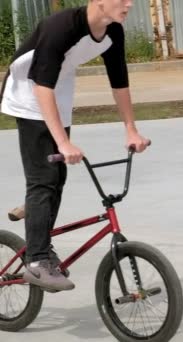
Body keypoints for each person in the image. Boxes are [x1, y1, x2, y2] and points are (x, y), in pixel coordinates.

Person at [0, 0, 149, 292]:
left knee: (57, 177)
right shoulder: (62, 27)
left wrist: (131, 129)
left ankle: (36, 209)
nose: (130, 4)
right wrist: (64, 142)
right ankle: (37, 260)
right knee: (44, 179)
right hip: (29, 93)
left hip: (59, 90)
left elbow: (119, 82)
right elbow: (40, 87)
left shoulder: (113, 31)